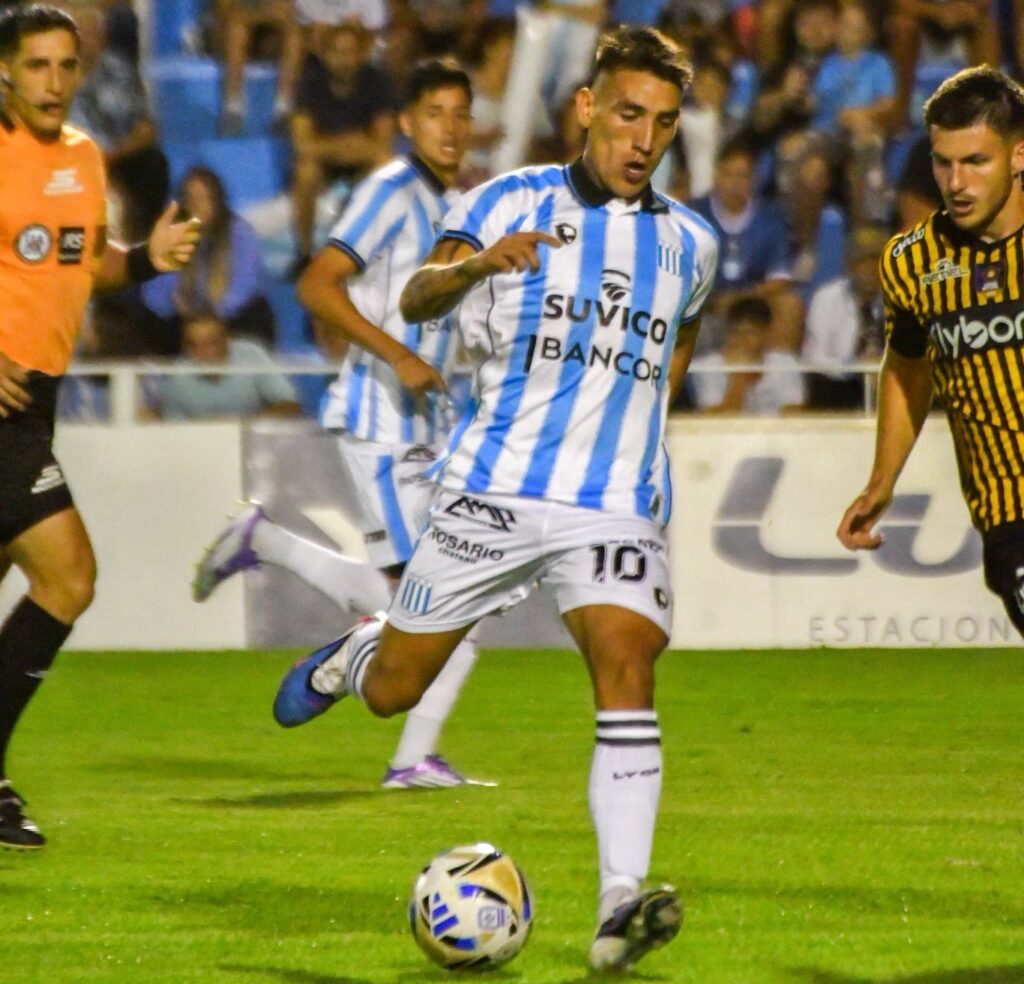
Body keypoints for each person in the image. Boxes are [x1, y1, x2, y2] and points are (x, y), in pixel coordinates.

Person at [272, 27, 719, 971]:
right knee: (394, 693)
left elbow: (677, 340)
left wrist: (637, 433)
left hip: (612, 502)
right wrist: (475, 266)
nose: (644, 139)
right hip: (493, 490)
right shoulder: (506, 199)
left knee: (627, 666)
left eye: (664, 122)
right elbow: (418, 297)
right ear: (587, 107)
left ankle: (619, 905)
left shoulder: (693, 243)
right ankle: (363, 648)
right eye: (629, 113)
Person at [193, 59, 485, 790]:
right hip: (381, 421)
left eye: (461, 113)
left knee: (438, 602)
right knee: (442, 605)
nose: (450, 127)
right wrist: (400, 356)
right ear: (406, 122)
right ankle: (407, 758)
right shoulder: (389, 190)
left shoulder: (457, 204)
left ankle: (265, 542)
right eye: (435, 113)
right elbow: (316, 284)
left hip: (426, 426)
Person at [0, 4, 199, 849]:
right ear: (4, 71)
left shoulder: (83, 156)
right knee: (69, 577)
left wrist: (149, 258)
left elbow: (85, 264)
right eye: (35, 65)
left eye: (65, 65)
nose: (53, 82)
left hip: (36, 399)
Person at [837, 65, 1024, 638]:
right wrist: (881, 480)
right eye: (944, 163)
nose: (956, 182)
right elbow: (907, 369)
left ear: (1019, 156)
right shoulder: (912, 263)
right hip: (1009, 514)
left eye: (976, 161)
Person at [289, 21, 396, 275]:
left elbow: (383, 142)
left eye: (349, 52)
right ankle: (304, 253)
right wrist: (349, 142)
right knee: (305, 172)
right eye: (337, 52)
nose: (343, 59)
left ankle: (368, 252)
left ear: (361, 54)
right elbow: (302, 144)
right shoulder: (309, 83)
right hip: (324, 162)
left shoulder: (378, 82)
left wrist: (330, 145)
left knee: (386, 164)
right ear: (325, 54)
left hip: (361, 161)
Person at [141, 166, 277, 348]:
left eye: (205, 198)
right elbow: (154, 288)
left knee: (255, 312)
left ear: (217, 200)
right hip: (183, 317)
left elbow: (245, 283)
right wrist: (174, 302)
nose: (198, 206)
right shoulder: (171, 233)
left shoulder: (240, 233)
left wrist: (213, 314)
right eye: (192, 198)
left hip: (231, 316)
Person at [143, 313, 301, 421]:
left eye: (212, 342)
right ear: (186, 347)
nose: (203, 351)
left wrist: (241, 425)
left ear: (227, 340)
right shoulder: (177, 377)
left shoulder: (252, 354)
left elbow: (290, 405)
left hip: (254, 442)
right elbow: (173, 431)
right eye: (195, 344)